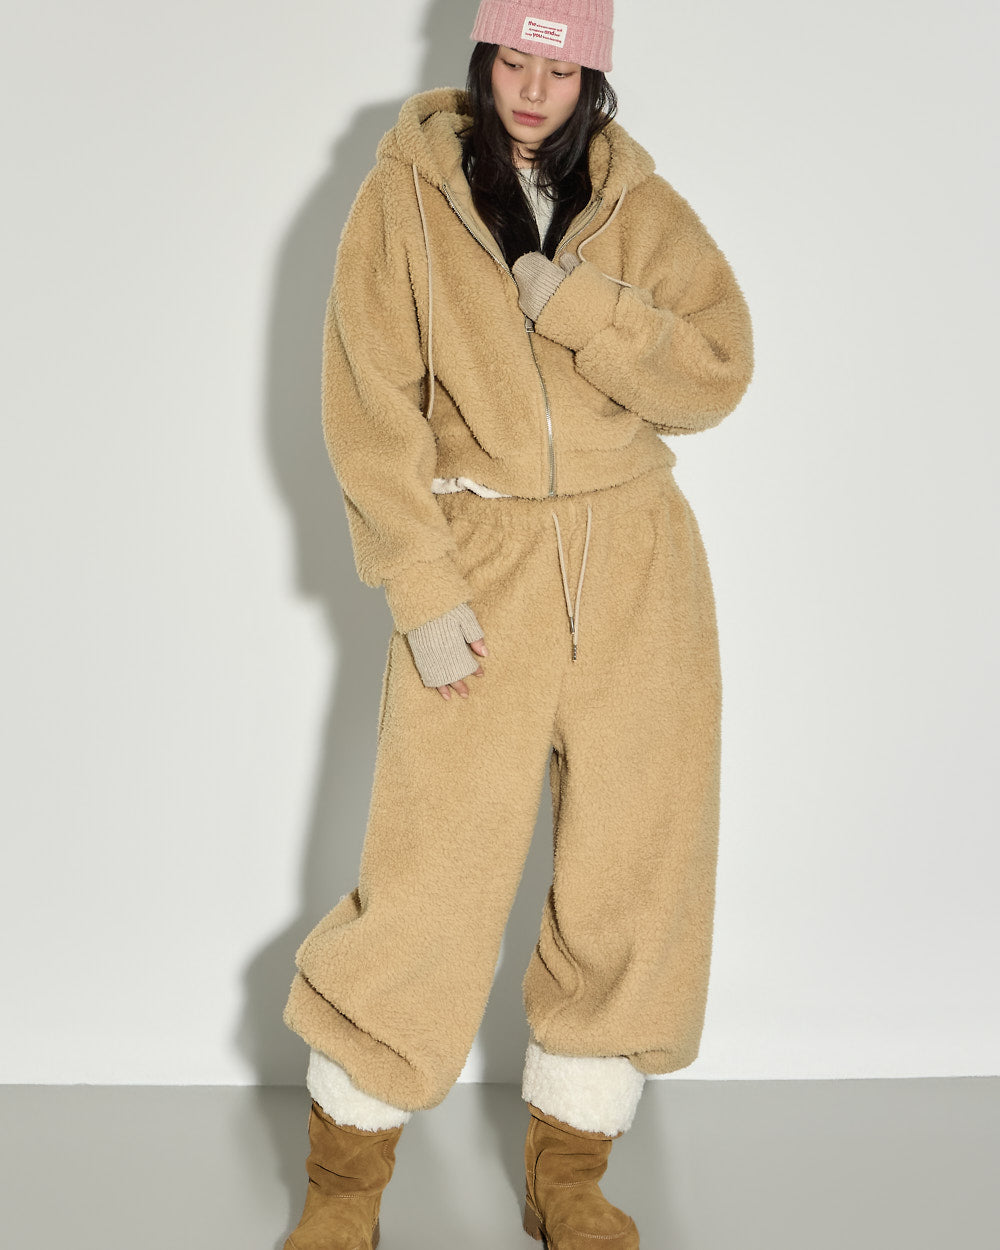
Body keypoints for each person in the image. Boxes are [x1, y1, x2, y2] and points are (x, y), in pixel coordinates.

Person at [281, 2, 754, 1247]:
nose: (532, 89)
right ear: (481, 59)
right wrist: (422, 587)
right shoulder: (403, 199)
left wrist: (583, 305)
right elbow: (366, 408)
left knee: (631, 869)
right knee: (430, 872)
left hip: (639, 561)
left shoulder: (641, 205)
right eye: (512, 60)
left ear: (591, 76)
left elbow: (716, 369)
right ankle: (345, 1181)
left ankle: (569, 1174)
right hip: (482, 554)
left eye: (559, 66)